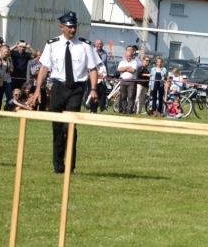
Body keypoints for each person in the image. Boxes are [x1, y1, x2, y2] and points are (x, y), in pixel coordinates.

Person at [31, 12, 100, 174]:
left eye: (74, 26)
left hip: (76, 89)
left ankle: (70, 165)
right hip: (58, 88)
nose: (73, 30)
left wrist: (94, 89)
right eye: (69, 27)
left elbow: (92, 69)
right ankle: (58, 166)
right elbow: (44, 68)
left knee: (69, 127)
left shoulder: (84, 45)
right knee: (57, 128)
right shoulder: (52, 44)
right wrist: (37, 90)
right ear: (61, 27)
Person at [116, 45, 138, 114]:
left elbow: (133, 70)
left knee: (131, 96)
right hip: (123, 81)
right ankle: (124, 109)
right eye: (127, 56)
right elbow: (119, 69)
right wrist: (128, 67)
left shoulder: (134, 62)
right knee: (123, 96)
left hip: (131, 81)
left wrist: (124, 69)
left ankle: (129, 110)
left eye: (130, 56)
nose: (129, 58)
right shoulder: (122, 62)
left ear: (132, 56)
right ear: (125, 56)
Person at [90, 39, 108, 112]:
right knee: (92, 93)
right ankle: (91, 108)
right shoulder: (91, 52)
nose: (99, 45)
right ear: (95, 44)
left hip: (101, 79)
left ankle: (102, 108)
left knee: (102, 93)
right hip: (92, 77)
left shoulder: (105, 53)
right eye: (98, 44)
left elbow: (105, 66)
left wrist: (104, 75)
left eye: (101, 44)